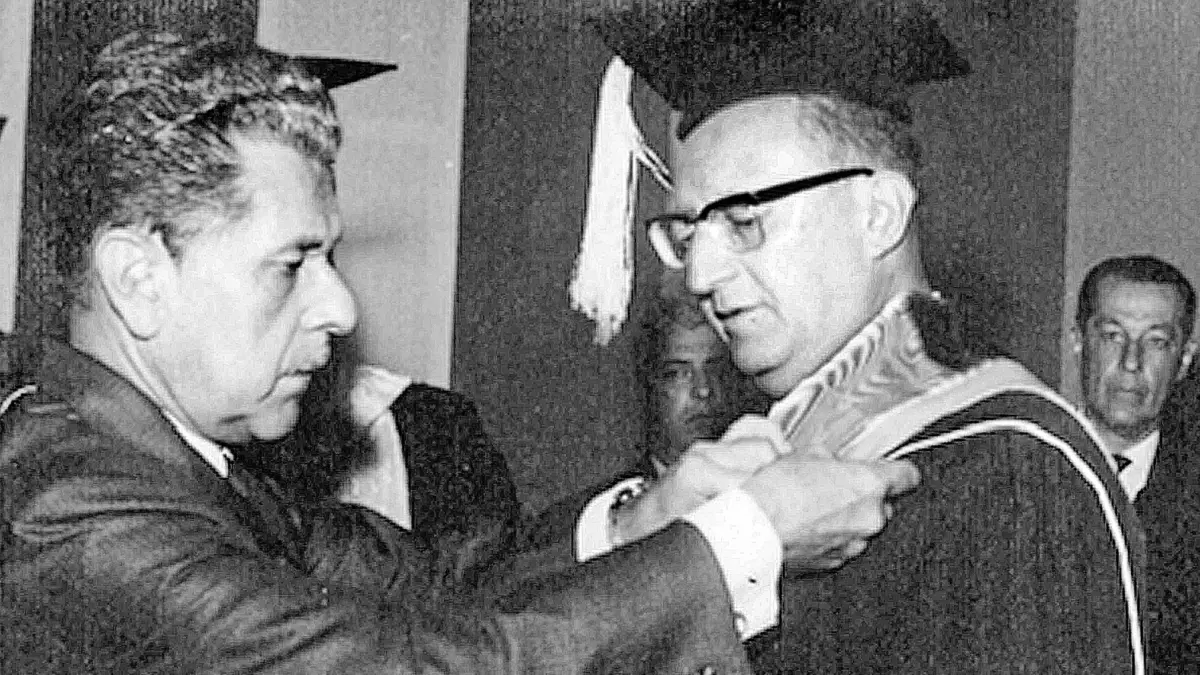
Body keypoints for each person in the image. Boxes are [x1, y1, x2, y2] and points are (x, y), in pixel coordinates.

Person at [0, 30, 919, 673]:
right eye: (292, 264)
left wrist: (643, 520)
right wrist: (739, 542)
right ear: (138, 278)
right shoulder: (70, 512)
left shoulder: (180, 466)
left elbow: (442, 585)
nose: (339, 305)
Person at [587, 0, 1146, 672]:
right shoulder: (755, 460)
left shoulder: (1013, 472)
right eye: (687, 233)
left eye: (743, 221)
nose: (701, 274)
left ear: (879, 215)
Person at [1070, 255, 1200, 671]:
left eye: (1156, 342)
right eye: (1112, 336)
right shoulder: (1017, 477)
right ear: (1078, 341)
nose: (1131, 362)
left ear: (1184, 359)